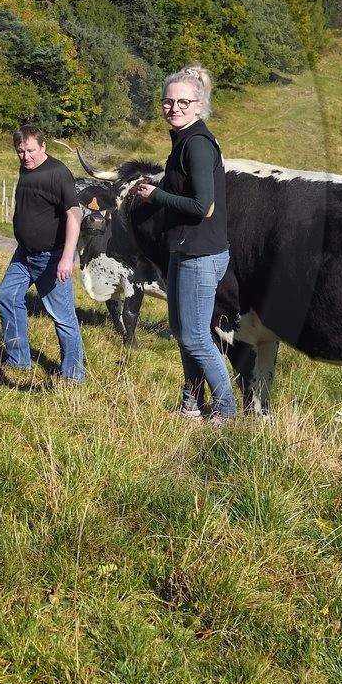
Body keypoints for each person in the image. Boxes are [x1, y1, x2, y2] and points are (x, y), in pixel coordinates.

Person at [133, 65, 235, 419]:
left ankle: (226, 412)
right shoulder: (183, 140)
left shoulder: (198, 145)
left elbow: (202, 206)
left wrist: (156, 195)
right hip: (185, 249)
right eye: (167, 101)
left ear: (199, 105)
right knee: (182, 332)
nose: (174, 108)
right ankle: (192, 404)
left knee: (195, 338)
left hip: (199, 253)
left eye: (183, 102)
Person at [0, 124, 85, 384]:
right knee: (7, 295)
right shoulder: (25, 167)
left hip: (51, 257)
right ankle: (18, 360)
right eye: (21, 152)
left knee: (63, 317)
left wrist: (67, 257)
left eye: (31, 150)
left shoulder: (58, 173)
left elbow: (74, 214)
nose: (26, 157)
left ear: (43, 146)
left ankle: (73, 375)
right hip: (24, 255)